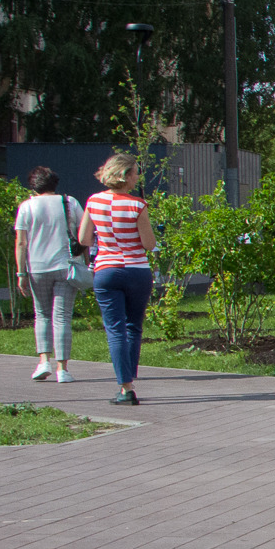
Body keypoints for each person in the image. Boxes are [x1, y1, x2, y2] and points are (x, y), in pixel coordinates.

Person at [78, 152, 157, 406]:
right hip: (136, 270)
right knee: (133, 326)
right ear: (125, 175)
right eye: (135, 172)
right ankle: (130, 379)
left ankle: (125, 386)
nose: (137, 177)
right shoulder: (137, 205)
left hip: (106, 270)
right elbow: (149, 243)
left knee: (115, 330)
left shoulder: (93, 202)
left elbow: (83, 239)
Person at [11, 165, 83, 382]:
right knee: (62, 318)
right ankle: (63, 369)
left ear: (33, 185)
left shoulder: (26, 207)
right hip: (66, 266)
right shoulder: (69, 203)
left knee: (41, 314)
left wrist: (21, 273)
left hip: (37, 267)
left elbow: (21, 242)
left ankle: (43, 362)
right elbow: (83, 236)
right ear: (55, 182)